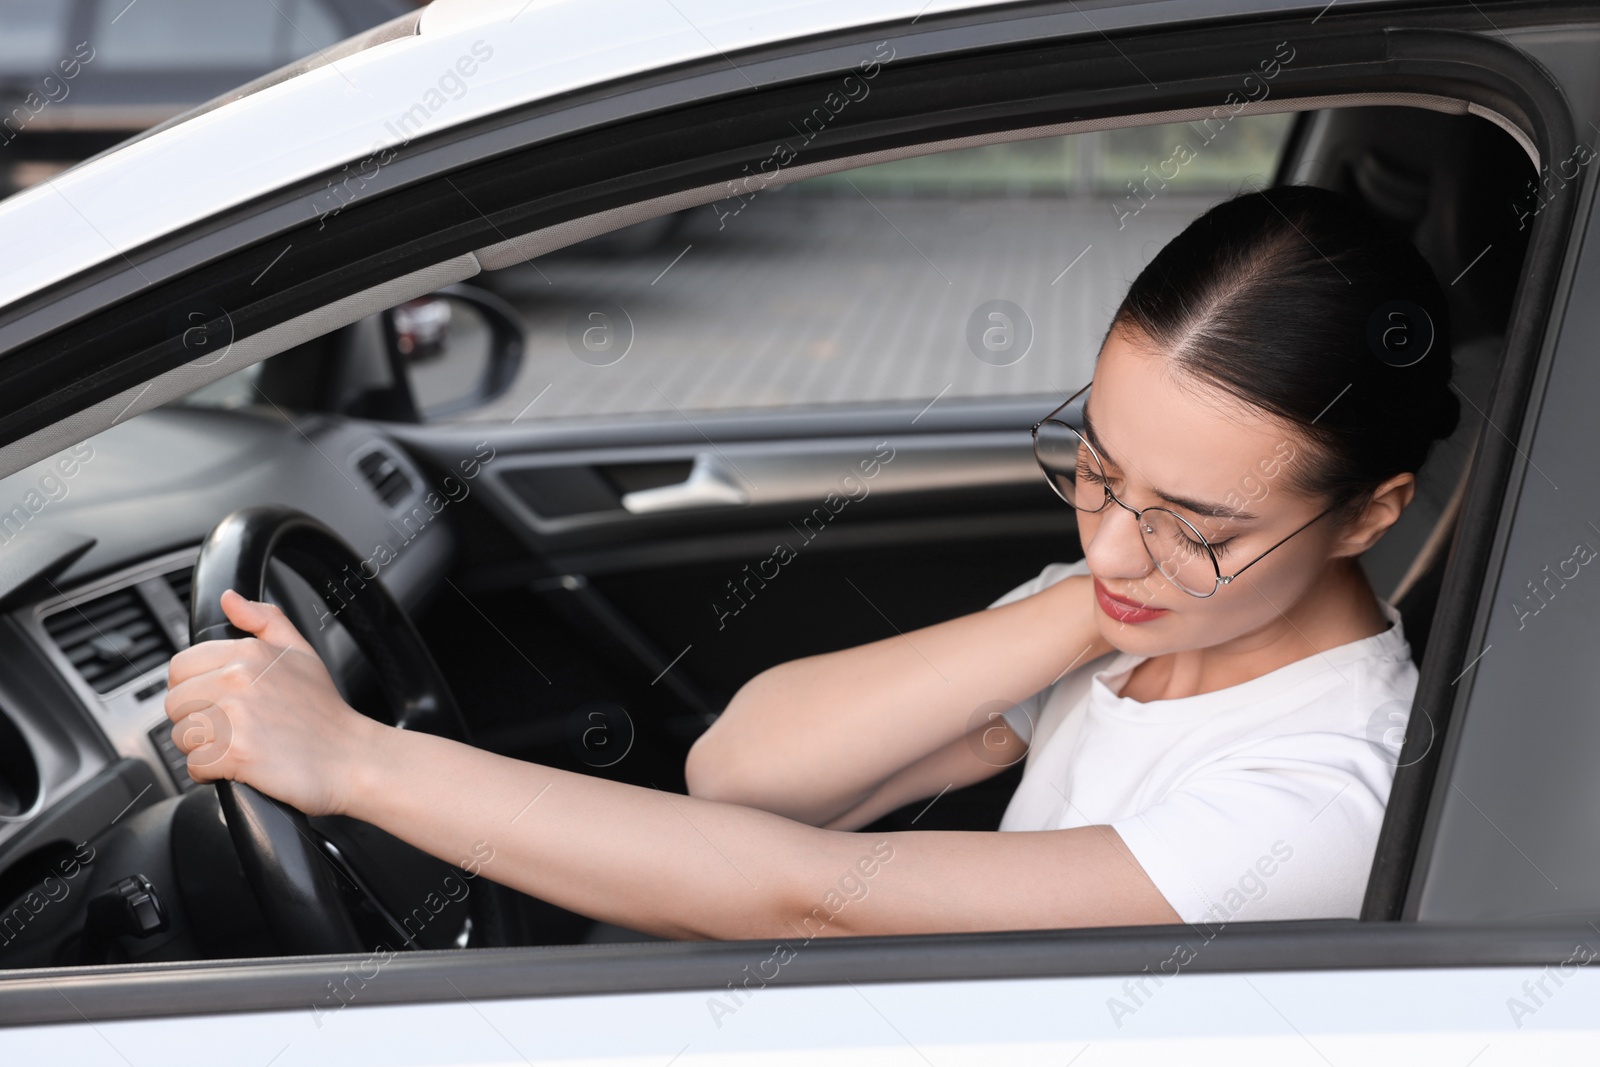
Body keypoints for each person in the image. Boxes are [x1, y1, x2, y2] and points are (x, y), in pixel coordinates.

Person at [164, 184, 1457, 939]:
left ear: (1367, 513)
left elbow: (812, 897)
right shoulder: (1144, 614)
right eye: (1098, 469)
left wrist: (358, 763)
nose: (1115, 541)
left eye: (1199, 525)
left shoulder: (1320, 800)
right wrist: (1088, 621)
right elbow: (744, 771)